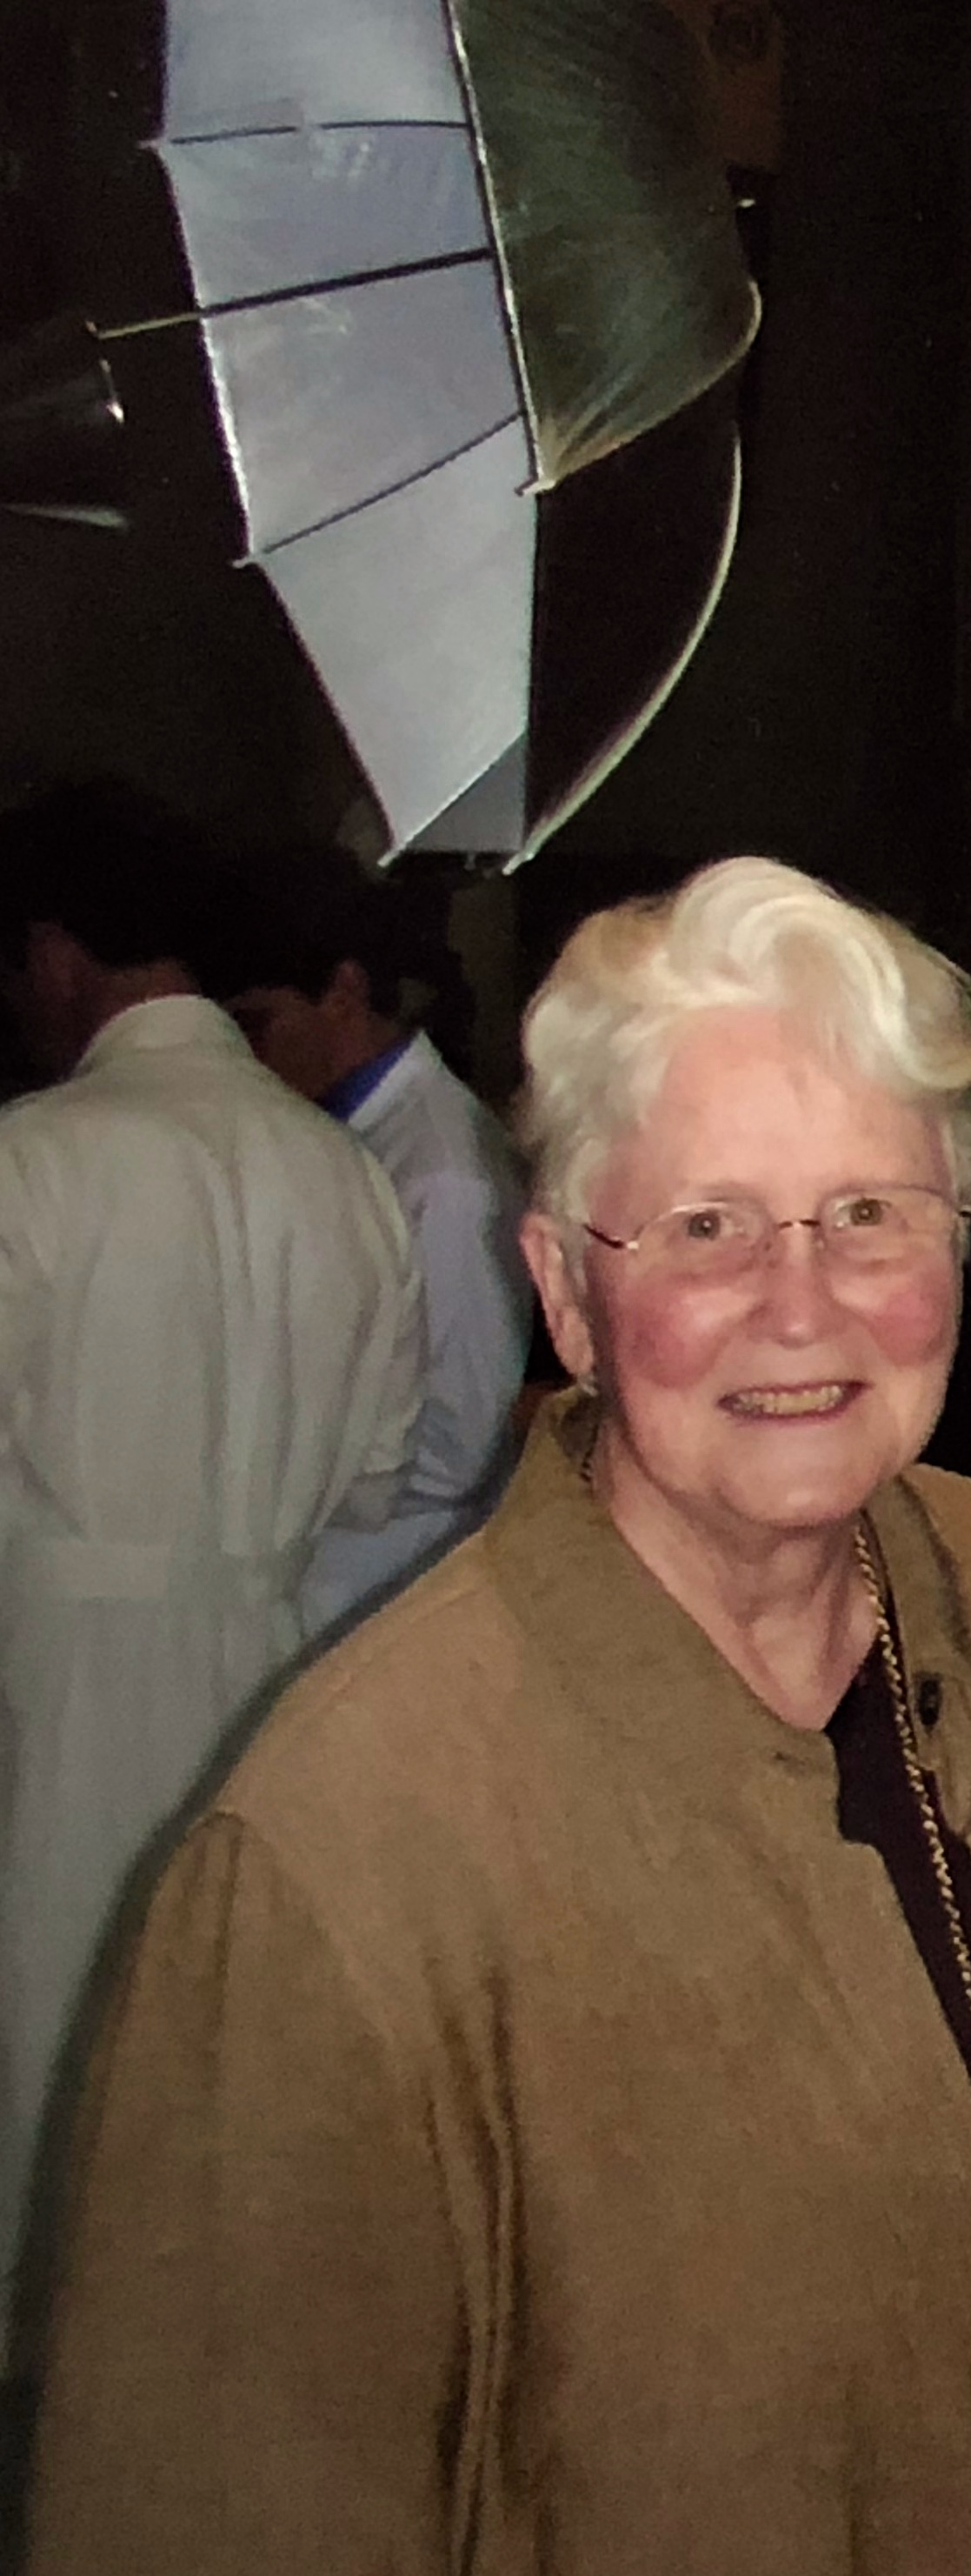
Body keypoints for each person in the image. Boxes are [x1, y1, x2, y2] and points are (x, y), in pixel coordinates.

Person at [17, 858, 971, 2576]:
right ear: (560, 1291)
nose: (800, 1301)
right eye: (705, 1226)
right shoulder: (336, 1863)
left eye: (870, 1216)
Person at [0, 782, 419, 2351]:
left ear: (54, 957)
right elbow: (378, 1471)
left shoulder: (34, 1162)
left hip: (52, 1690)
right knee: (220, 2098)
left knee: (46, 2094)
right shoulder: (344, 1178)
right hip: (273, 1677)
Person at [223, 848, 535, 1635]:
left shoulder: (444, 1173)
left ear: (345, 993)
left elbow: (455, 1443)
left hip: (391, 1579)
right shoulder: (351, 1135)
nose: (247, 1054)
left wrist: (292, 1450)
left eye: (259, 1023)